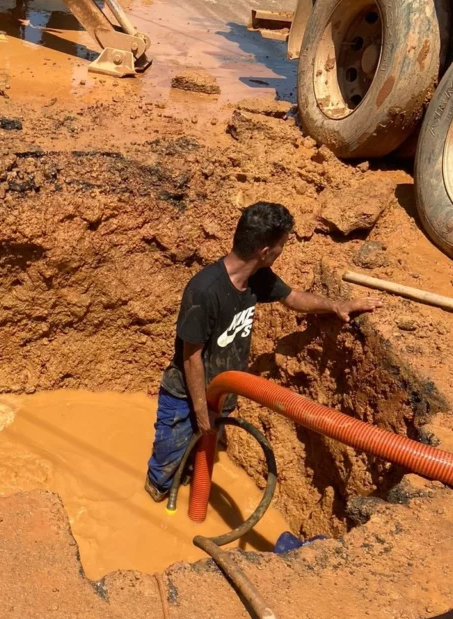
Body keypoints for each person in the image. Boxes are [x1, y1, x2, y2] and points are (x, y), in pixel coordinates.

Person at [145, 201, 381, 502]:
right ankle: (159, 493)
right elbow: (192, 358)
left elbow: (293, 298)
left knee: (196, 463)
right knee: (164, 470)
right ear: (265, 251)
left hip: (223, 392)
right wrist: (202, 413)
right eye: (282, 245)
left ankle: (188, 485)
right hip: (185, 397)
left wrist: (337, 306)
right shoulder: (204, 291)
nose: (283, 251)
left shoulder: (258, 277)